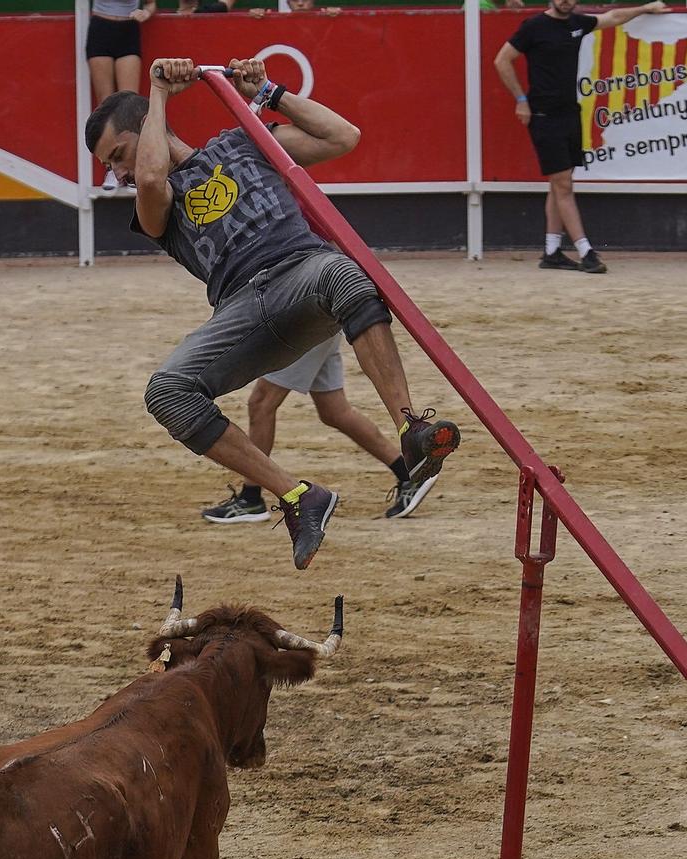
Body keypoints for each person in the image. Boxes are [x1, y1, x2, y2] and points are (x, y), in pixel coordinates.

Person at [85, 57, 462, 570]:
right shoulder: (157, 203)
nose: (118, 173)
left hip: (302, 273)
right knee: (166, 392)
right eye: (111, 165)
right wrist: (157, 94)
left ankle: (411, 430)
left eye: (118, 155)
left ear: (145, 132)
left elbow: (343, 136)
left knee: (344, 272)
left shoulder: (241, 142)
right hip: (244, 308)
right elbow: (152, 179)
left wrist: (269, 92)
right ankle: (296, 496)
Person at [493, 0, 667, 274]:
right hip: (543, 115)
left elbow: (613, 17)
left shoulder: (576, 23)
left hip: (569, 113)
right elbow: (502, 60)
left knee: (558, 182)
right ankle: (586, 251)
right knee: (563, 184)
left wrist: (645, 8)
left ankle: (552, 251)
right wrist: (521, 99)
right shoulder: (534, 26)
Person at [200, 336, 436, 524]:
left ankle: (250, 499)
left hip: (303, 321)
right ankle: (409, 473)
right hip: (321, 314)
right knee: (334, 410)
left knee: (261, 403)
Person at [87, 0, 154, 189]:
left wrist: (145, 14)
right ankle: (113, 171)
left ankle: (136, 169)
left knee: (130, 105)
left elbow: (151, 5)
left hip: (128, 29)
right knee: (105, 104)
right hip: (101, 27)